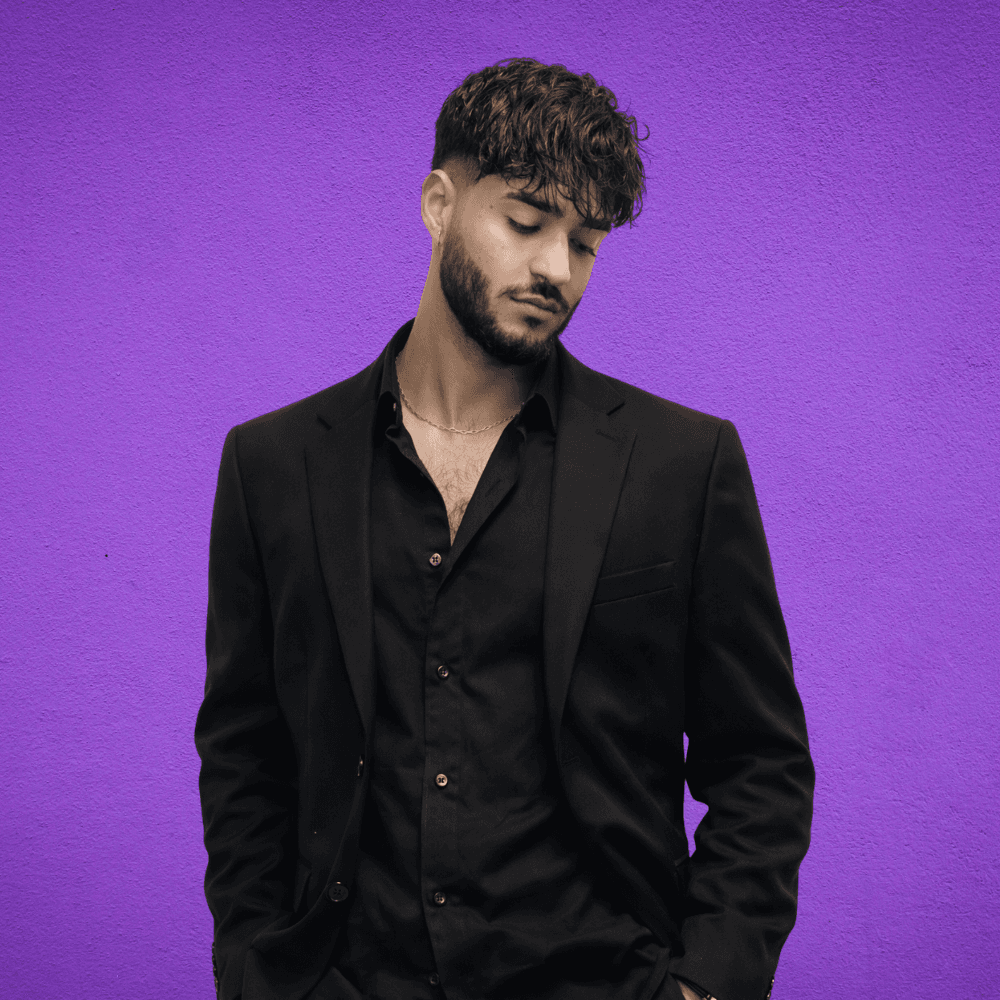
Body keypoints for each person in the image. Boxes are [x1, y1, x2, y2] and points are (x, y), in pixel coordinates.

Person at [195, 57, 814, 1000]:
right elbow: (244, 752)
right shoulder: (272, 464)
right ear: (440, 202)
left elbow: (761, 763)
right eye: (526, 222)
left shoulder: (683, 463)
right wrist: (255, 968)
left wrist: (706, 986)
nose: (555, 269)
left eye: (586, 242)